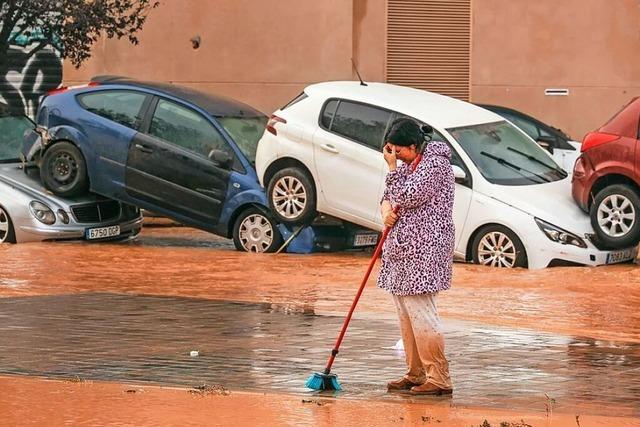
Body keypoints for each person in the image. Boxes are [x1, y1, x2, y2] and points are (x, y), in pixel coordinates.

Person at [377, 117, 455, 396]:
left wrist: (392, 169)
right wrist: (385, 209)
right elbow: (389, 195)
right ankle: (416, 372)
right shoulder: (412, 165)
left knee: (422, 313)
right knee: (405, 314)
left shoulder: (435, 165)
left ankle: (439, 377)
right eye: (392, 152)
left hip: (425, 251)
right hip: (401, 250)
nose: (396, 157)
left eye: (399, 151)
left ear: (413, 145)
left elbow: (407, 195)